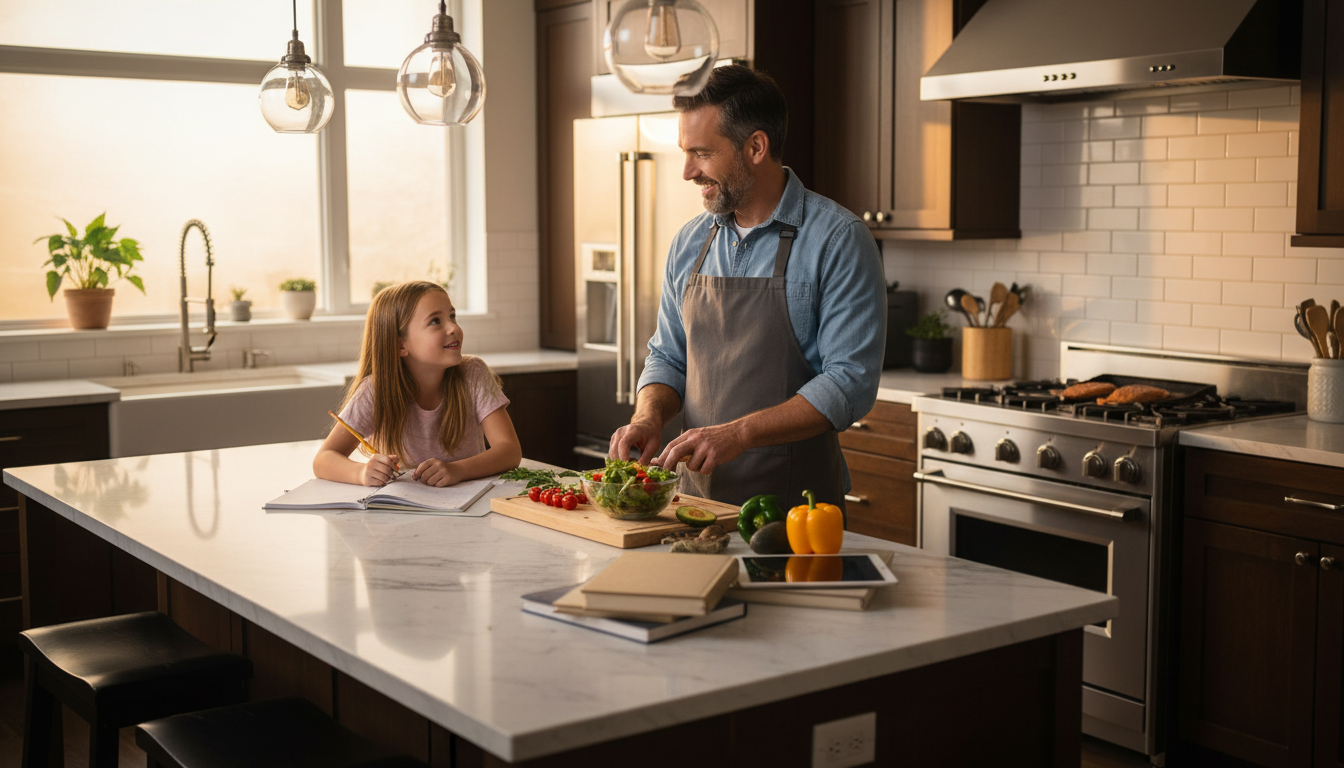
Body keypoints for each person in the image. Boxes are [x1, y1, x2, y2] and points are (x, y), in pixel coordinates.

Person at [609, 64, 886, 510]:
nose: (686, 172)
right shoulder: (690, 241)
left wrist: (738, 433)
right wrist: (649, 415)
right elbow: (668, 356)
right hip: (694, 501)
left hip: (797, 509)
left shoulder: (838, 239)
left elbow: (849, 382)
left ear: (756, 146)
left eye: (701, 153)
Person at [314, 280, 522, 487]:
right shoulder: (375, 391)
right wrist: (361, 472)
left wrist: (458, 470)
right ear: (400, 345)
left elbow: (510, 451)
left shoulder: (473, 373)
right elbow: (323, 460)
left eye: (452, 316)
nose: (453, 328)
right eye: (435, 321)